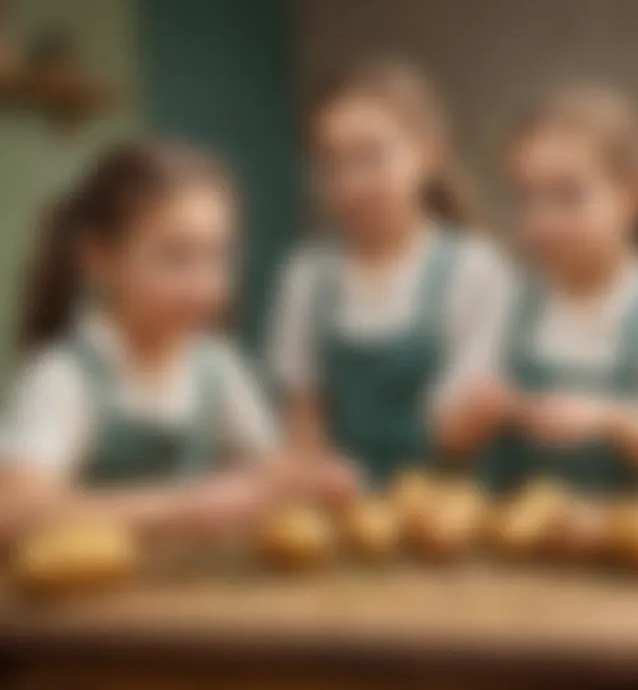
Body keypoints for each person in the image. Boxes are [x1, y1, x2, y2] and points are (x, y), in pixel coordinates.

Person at [0, 141, 328, 543]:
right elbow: (16, 511)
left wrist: (305, 479)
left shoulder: (217, 367)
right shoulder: (64, 377)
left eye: (216, 256)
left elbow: (267, 472)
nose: (203, 284)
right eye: (176, 257)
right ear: (98, 258)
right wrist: (187, 508)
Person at [269, 59, 511, 487]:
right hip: (340, 515)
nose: (350, 183)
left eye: (370, 158)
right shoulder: (306, 277)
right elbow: (303, 420)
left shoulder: (476, 272)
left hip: (449, 518)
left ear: (427, 155)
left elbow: (463, 428)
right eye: (332, 162)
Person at [477, 87, 638, 495]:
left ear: (634, 196)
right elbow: (444, 437)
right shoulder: (507, 303)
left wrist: (610, 420)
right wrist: (478, 413)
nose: (542, 222)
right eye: (527, 197)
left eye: (567, 196)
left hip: (628, 551)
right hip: (511, 554)